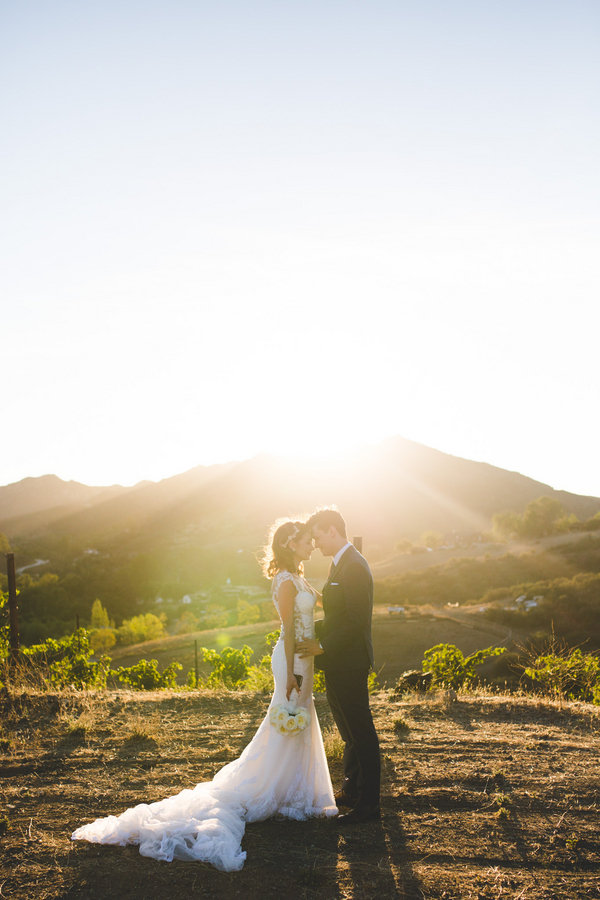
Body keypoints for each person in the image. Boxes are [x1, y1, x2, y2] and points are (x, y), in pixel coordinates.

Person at [71, 519, 337, 872]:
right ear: (290, 544)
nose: (312, 545)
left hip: (305, 658)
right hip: (292, 661)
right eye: (306, 541)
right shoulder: (285, 581)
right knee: (287, 718)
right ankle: (276, 791)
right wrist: (289, 671)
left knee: (299, 721)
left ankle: (294, 790)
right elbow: (288, 630)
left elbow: (311, 621)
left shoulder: (299, 577)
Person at [297, 508, 381, 824]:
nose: (316, 544)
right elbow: (337, 615)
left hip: (350, 661)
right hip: (337, 661)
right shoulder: (340, 563)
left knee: (361, 732)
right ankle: (353, 789)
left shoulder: (355, 566)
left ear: (332, 530)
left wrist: (322, 645)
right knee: (348, 732)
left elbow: (355, 621)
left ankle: (369, 804)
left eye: (318, 537)